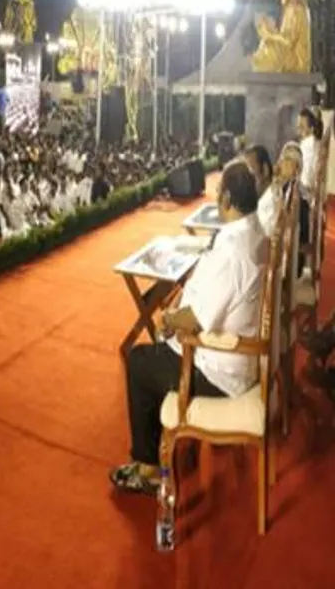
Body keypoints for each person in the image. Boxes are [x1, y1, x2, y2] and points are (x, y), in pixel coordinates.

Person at [110, 161, 267, 495]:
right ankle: (148, 459)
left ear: (226, 198)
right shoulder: (254, 231)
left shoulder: (234, 251)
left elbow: (198, 318)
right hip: (225, 353)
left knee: (139, 363)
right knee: (151, 356)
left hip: (216, 368)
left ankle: (149, 468)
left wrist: (167, 320)